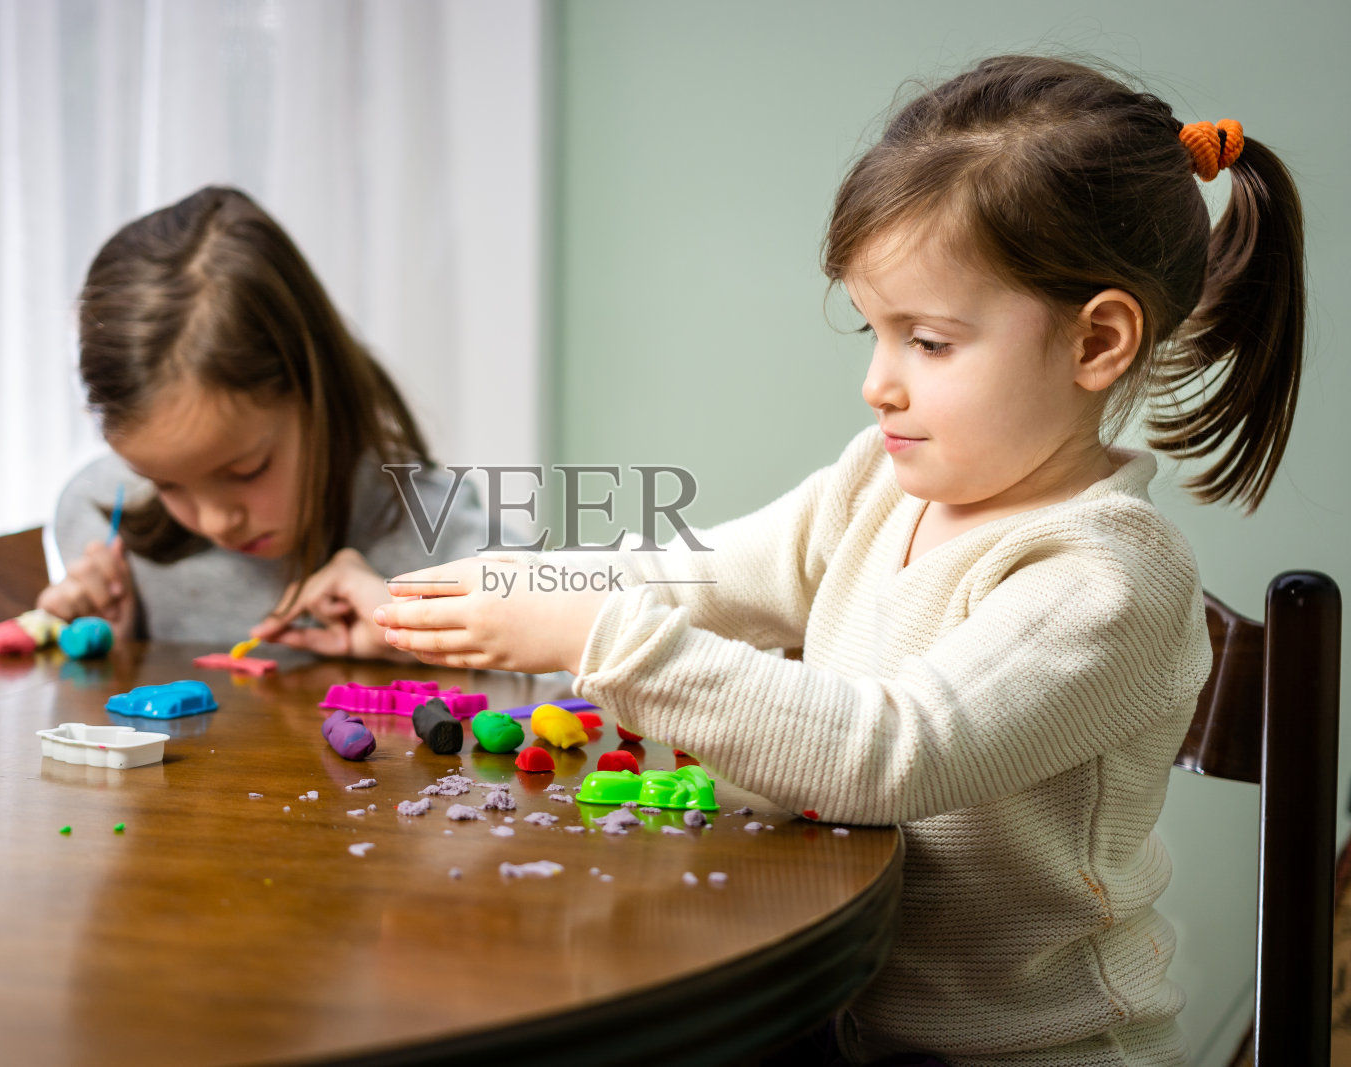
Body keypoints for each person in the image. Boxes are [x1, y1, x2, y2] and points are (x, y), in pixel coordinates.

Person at [374, 55, 1305, 1065]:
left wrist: (600, 640)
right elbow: (696, 572)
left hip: (1040, 1051)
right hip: (849, 1018)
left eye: (929, 342)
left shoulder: (1106, 577)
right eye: (874, 329)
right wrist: (498, 588)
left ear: (1096, 343)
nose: (876, 384)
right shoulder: (877, 482)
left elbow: (892, 750)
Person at [40, 185, 489, 658]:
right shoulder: (94, 516)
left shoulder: (439, 535)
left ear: (317, 393)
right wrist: (112, 652)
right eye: (166, 484)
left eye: (246, 471)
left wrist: (422, 636)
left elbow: (566, 662)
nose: (217, 522)